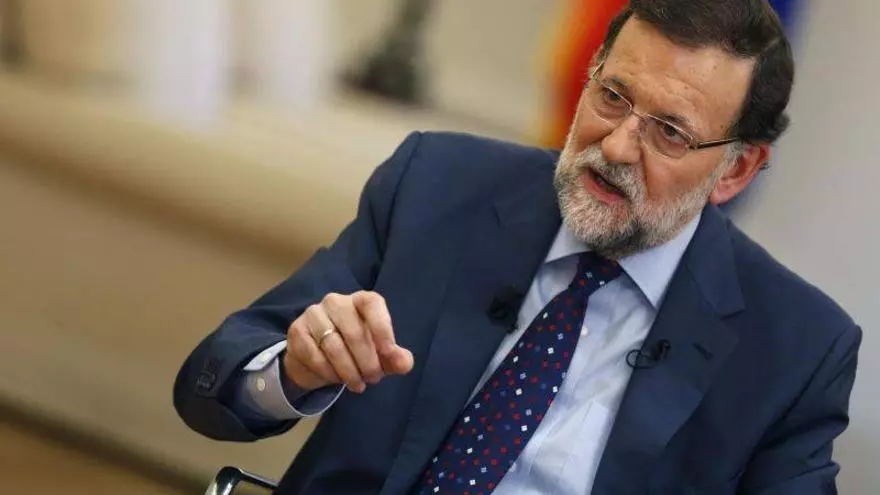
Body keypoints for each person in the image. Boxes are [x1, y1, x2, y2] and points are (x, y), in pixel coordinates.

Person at [174, 1, 861, 493]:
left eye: (669, 134)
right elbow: (211, 384)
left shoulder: (795, 349)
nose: (618, 146)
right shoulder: (437, 186)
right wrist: (293, 369)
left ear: (736, 170)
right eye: (613, 96)